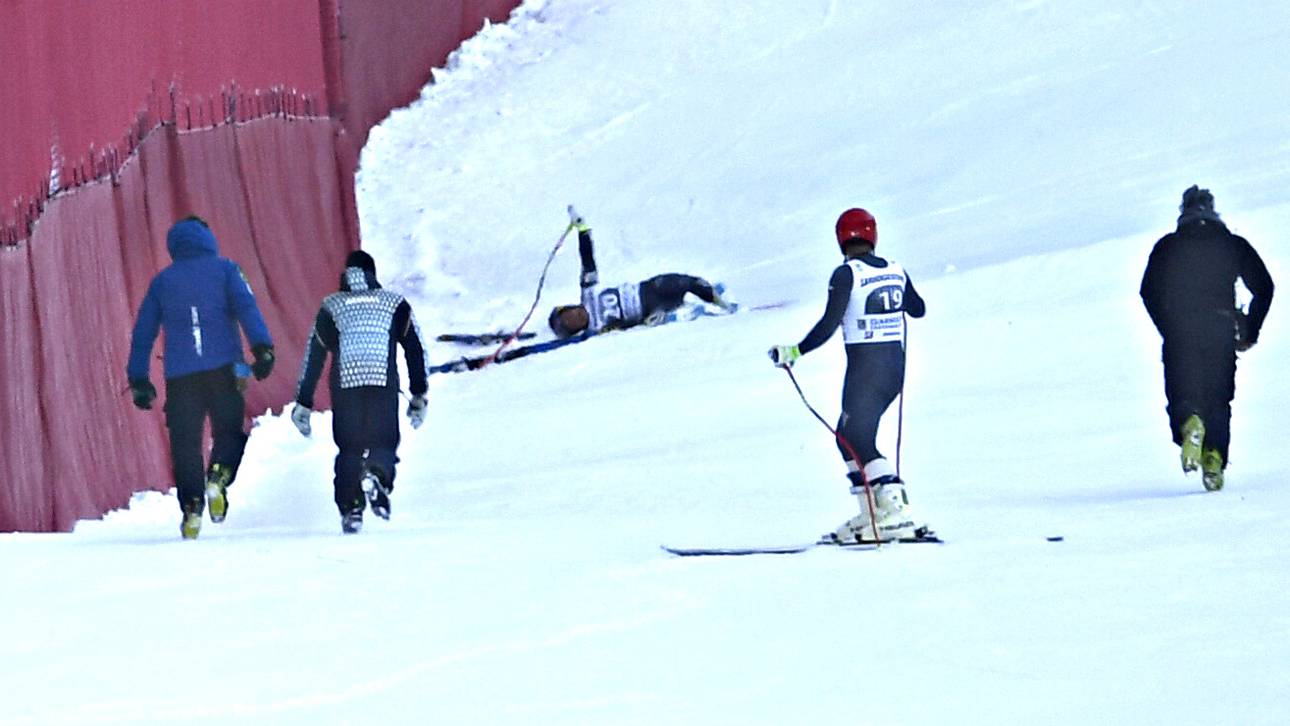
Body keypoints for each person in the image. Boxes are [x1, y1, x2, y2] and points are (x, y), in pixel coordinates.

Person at [768, 207, 929, 544]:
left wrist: (795, 351)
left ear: (841, 239)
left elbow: (830, 324)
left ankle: (895, 512)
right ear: (873, 236)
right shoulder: (896, 269)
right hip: (892, 371)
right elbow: (918, 309)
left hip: (866, 371)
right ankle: (872, 511)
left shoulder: (846, 275)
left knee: (858, 438)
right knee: (846, 436)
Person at [126, 215, 276, 539]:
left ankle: (192, 506)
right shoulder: (227, 270)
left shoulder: (162, 282)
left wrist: (139, 378)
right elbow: (248, 308)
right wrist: (263, 348)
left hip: (181, 375)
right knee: (228, 431)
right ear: (208, 239)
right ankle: (219, 475)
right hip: (226, 369)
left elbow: (143, 332)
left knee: (185, 443)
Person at [1140, 185, 1273, 491]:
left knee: (1183, 393)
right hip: (1221, 328)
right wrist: (1250, 328)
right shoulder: (1232, 244)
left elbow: (1148, 291)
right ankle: (1214, 457)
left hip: (1181, 329)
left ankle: (1191, 424)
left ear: (1183, 212)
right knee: (1218, 399)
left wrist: (1167, 325)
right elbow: (1264, 287)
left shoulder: (1168, 246)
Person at [290, 250, 429, 534]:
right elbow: (416, 350)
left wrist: (303, 402)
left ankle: (351, 508)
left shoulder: (332, 306)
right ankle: (376, 472)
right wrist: (419, 394)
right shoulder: (394, 304)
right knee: (384, 441)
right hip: (382, 380)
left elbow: (313, 356)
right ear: (373, 275)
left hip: (346, 382)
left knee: (349, 446)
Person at [548, 206, 734, 338]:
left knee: (691, 283)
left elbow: (587, 259)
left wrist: (582, 229)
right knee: (685, 313)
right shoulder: (595, 331)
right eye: (571, 324)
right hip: (650, 310)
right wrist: (644, 324)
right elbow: (620, 333)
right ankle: (719, 316)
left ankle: (726, 306)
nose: (575, 318)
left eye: (569, 315)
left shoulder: (588, 292)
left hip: (650, 289)